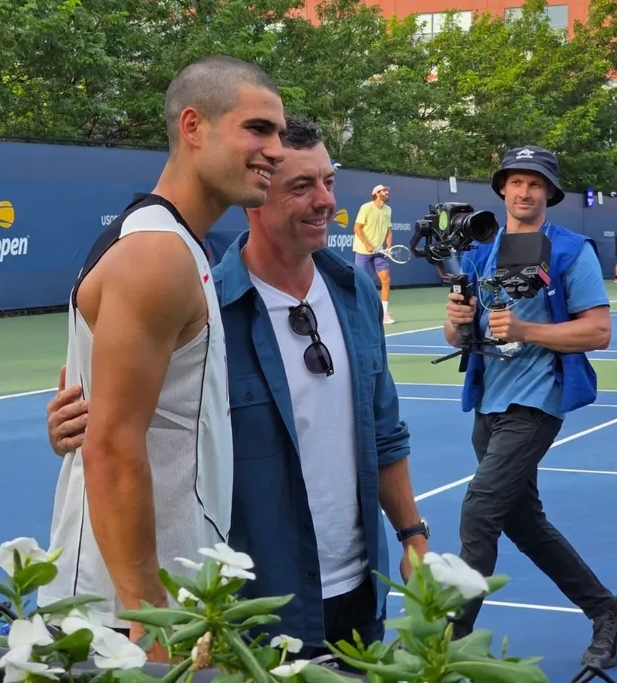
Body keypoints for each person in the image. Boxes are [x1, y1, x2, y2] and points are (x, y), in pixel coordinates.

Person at [45, 116, 429, 663]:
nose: (325, 202)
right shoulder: (204, 308)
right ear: (256, 194)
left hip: (357, 600)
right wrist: (72, 426)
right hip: (252, 607)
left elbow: (384, 431)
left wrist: (412, 532)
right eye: (302, 186)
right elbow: (126, 434)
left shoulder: (357, 293)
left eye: (328, 182)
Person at [36, 55, 287, 661]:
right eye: (258, 129)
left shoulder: (170, 244)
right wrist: (149, 623)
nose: (275, 149)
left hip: (157, 599)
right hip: (122, 618)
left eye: (279, 133)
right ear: (194, 126)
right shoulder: (157, 254)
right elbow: (113, 449)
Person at [443, 145, 617, 670]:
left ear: (550, 193)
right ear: (502, 189)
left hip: (537, 401)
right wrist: (458, 317)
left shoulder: (572, 251)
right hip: (489, 402)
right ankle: (610, 614)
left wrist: (527, 330)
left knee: (479, 512)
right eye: (516, 182)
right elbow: (460, 335)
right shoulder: (481, 251)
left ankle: (446, 647)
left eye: (536, 183)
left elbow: (598, 331)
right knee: (523, 523)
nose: (525, 191)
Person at [352, 184, 394, 324]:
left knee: (386, 280)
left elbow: (388, 230)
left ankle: (383, 314)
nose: (386, 192)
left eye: (386, 191)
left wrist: (388, 246)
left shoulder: (388, 210)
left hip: (379, 251)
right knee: (361, 282)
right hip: (363, 251)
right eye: (384, 191)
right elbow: (357, 228)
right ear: (376, 193)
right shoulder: (366, 207)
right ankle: (360, 312)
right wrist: (367, 244)